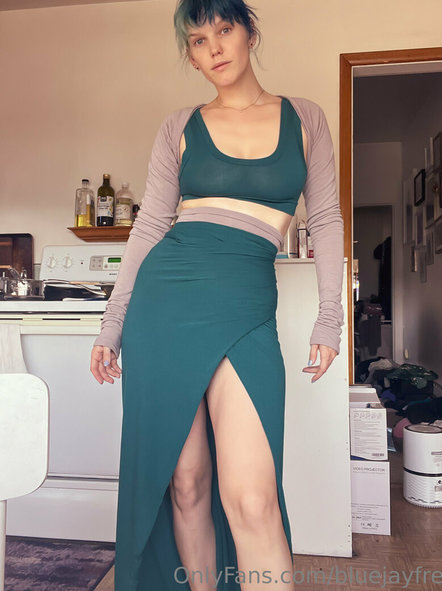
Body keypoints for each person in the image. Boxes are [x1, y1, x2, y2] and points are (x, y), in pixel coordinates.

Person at [90, 1, 345, 589]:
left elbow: (327, 218)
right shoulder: (180, 127)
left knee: (252, 498)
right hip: (163, 307)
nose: (215, 49)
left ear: (250, 33)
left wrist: (330, 318)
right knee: (185, 483)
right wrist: (112, 323)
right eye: (199, 41)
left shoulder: (304, 118)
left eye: (224, 30)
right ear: (191, 56)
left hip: (245, 312)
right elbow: (149, 227)